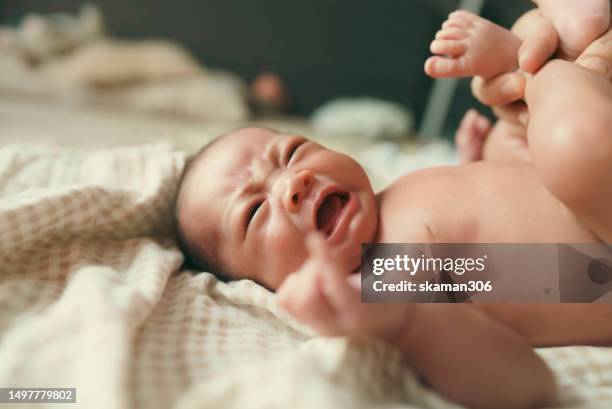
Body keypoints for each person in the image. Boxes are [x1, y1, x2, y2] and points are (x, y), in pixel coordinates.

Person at [174, 8, 612, 409]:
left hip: (584, 229)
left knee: (516, 136)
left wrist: (482, 167)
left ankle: (540, 64)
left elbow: (502, 264)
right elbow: (528, 379)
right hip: (599, 263)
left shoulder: (392, 217)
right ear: (264, 286)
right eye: (253, 212)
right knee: (568, 143)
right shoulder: (380, 280)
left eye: (293, 152)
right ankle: (555, 63)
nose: (292, 181)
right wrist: (409, 322)